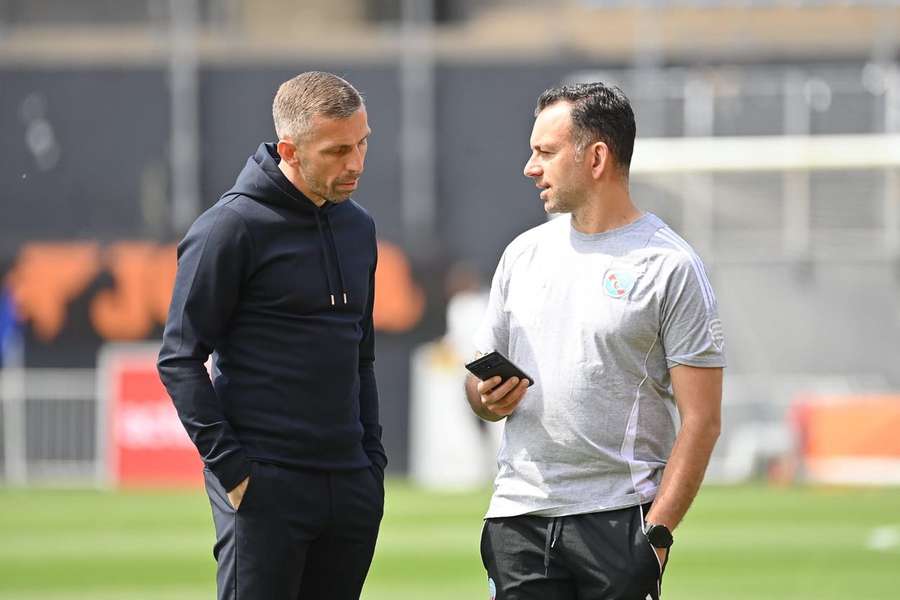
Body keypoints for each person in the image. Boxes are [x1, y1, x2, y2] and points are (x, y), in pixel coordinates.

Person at [465, 82, 725, 600]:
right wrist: (486, 399)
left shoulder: (670, 265)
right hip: (519, 518)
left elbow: (703, 421)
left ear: (597, 157)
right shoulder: (521, 255)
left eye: (545, 151)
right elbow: (477, 390)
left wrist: (657, 534)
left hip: (618, 523)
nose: (529, 167)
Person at [158, 71, 386, 600]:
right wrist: (234, 471)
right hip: (265, 486)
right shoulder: (228, 227)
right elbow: (179, 358)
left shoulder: (360, 227)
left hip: (350, 485)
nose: (355, 163)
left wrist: (370, 463)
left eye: (362, 143)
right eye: (336, 151)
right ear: (290, 149)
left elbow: (362, 356)